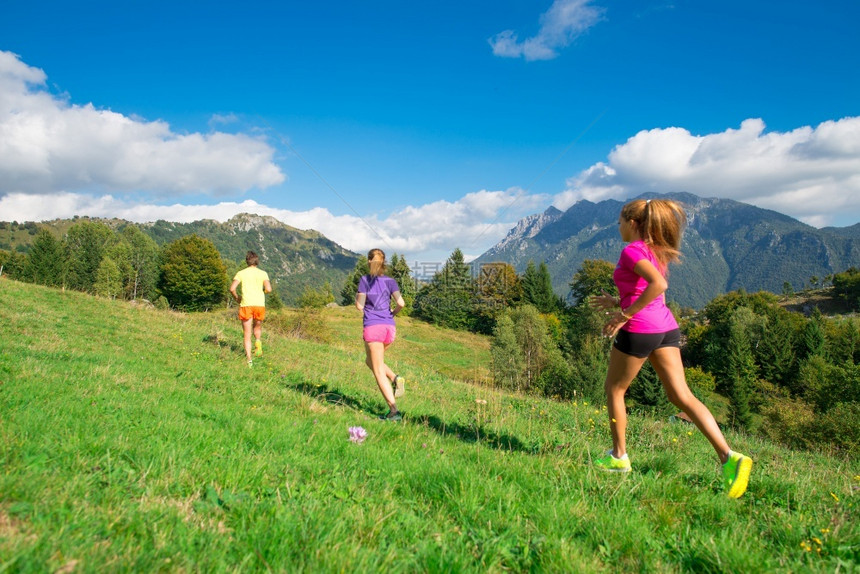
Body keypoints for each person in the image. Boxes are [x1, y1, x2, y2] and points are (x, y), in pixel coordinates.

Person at [590, 198, 753, 498]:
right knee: (681, 395)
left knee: (614, 389)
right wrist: (617, 302)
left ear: (633, 222)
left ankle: (618, 457)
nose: (618, 227)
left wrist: (624, 314)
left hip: (639, 329)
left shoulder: (631, 250)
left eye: (620, 222)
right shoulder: (655, 251)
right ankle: (729, 458)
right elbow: (645, 290)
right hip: (665, 328)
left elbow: (657, 286)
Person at [355, 248, 407, 421]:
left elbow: (359, 306)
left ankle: (394, 412)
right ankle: (395, 378)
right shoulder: (390, 281)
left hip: (373, 327)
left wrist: (361, 301)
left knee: (377, 370)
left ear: (369, 261)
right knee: (370, 361)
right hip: (389, 328)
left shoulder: (364, 280)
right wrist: (392, 312)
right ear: (383, 262)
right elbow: (401, 303)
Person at [230, 251, 273, 367]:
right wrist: (263, 292)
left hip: (246, 304)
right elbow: (269, 289)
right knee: (257, 326)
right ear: (257, 261)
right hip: (259, 304)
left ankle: (249, 360)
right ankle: (258, 341)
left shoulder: (241, 273)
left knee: (247, 334)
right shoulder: (263, 273)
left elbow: (232, 288)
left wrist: (237, 298)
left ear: (247, 261)